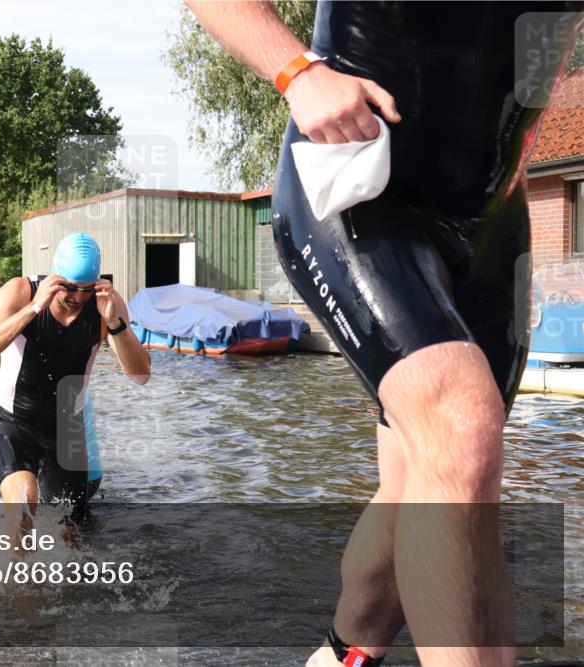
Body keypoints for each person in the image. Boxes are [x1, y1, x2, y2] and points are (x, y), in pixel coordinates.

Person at [186, 3, 584, 666]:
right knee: (461, 432)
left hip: (490, 221)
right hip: (358, 186)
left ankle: (341, 655)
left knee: (424, 481)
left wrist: (533, 123)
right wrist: (298, 73)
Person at [0, 232, 150, 530]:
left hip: (66, 429)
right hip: (12, 422)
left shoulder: (106, 305)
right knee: (23, 506)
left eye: (86, 289)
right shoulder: (21, 292)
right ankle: (14, 577)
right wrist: (34, 309)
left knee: (67, 533)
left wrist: (116, 324)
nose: (78, 297)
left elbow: (140, 374)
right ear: (55, 276)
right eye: (69, 288)